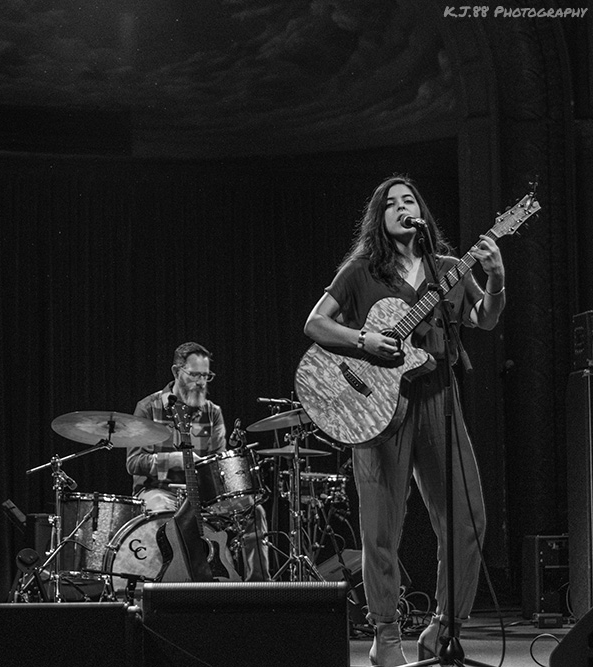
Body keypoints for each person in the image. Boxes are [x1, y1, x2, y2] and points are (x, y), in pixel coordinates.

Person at [302, 175, 504, 666]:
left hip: (439, 396)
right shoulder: (361, 270)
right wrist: (361, 342)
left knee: (468, 518)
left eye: (408, 199)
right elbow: (315, 323)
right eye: (389, 202)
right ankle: (386, 635)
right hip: (374, 409)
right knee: (380, 530)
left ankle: (443, 629)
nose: (400, 206)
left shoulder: (449, 270)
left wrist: (496, 278)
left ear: (421, 213)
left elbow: (486, 317)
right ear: (379, 217)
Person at [126, 341, 270, 582]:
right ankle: (163, 585)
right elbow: (134, 462)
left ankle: (259, 589)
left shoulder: (212, 412)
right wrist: (175, 460)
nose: (202, 382)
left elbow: (217, 464)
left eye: (206, 376)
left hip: (202, 497)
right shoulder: (148, 408)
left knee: (255, 511)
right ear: (176, 371)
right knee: (162, 512)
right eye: (195, 375)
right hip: (160, 491)